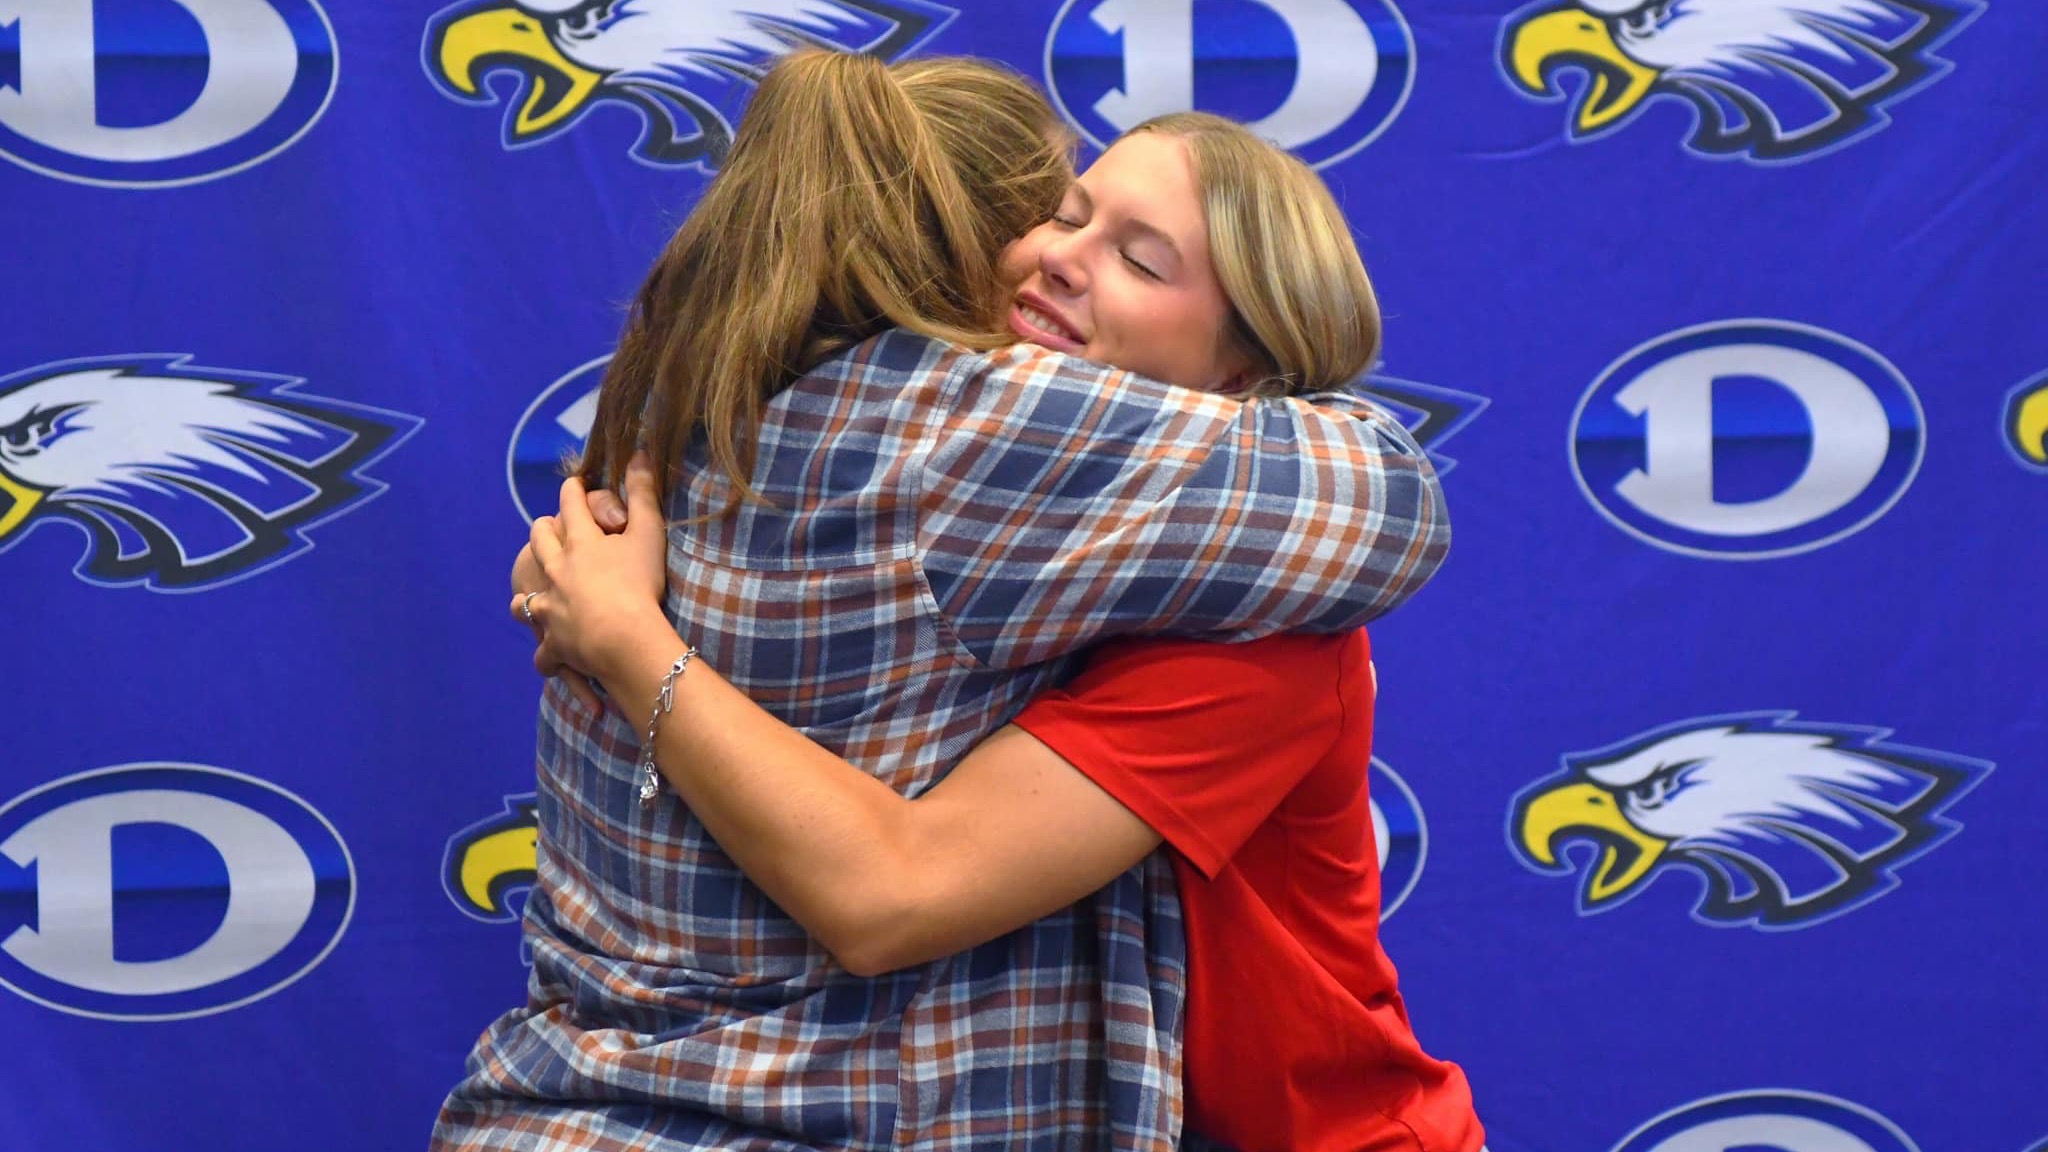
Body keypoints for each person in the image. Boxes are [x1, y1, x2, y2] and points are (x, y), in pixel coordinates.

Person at [436, 49, 1448, 1152]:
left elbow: (892, 887)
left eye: (1139, 263)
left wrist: (631, 640)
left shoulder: (1259, 634)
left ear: (1246, 387)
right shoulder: (908, 464)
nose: (1060, 258)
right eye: (1062, 217)